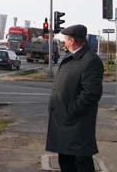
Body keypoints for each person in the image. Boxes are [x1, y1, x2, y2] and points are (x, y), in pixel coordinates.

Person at [45, 24, 104, 172]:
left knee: (81, 164)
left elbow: (91, 94)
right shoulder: (72, 57)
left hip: (77, 125)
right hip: (65, 124)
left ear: (72, 40)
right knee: (66, 162)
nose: (64, 41)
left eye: (66, 38)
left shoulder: (90, 60)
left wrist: (70, 111)